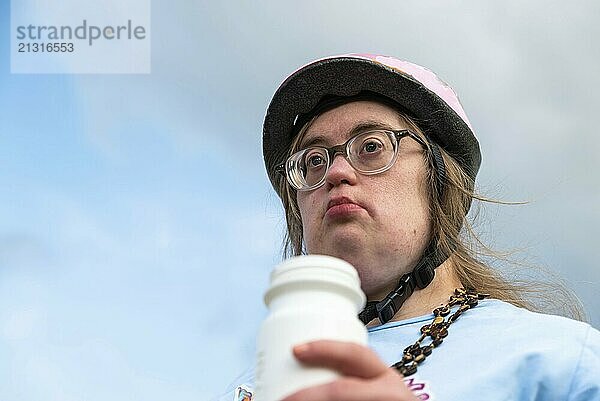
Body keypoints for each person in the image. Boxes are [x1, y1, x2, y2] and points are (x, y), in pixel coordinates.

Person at [215, 54, 600, 401]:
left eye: (371, 146)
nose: (335, 172)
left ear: (440, 181)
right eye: (314, 160)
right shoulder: (248, 389)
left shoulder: (559, 359)